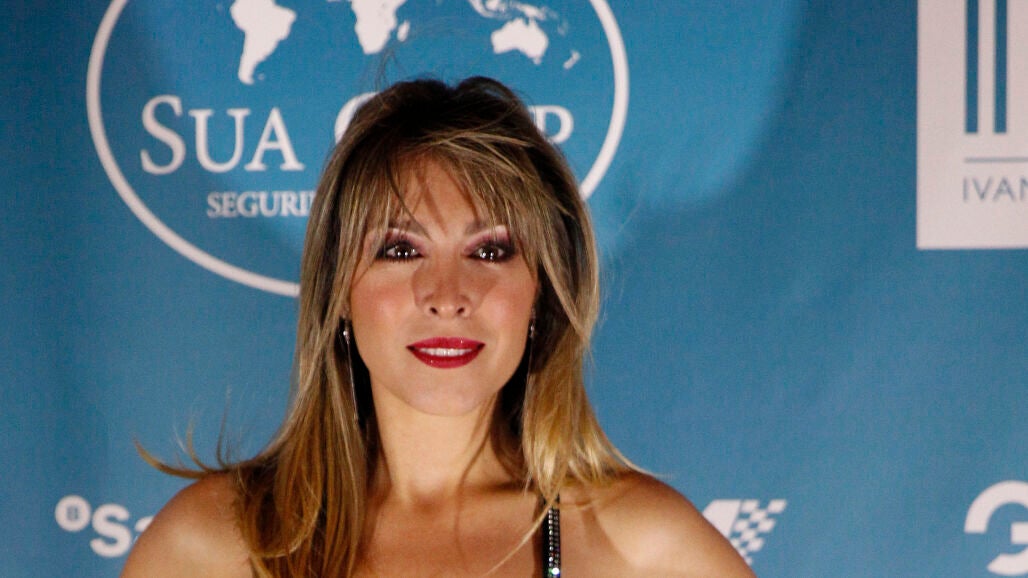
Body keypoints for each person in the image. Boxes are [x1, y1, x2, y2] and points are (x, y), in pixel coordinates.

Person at [121, 77, 754, 577]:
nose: (448, 296)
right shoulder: (211, 546)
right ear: (340, 293)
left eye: (490, 250)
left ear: (541, 291)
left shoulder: (646, 551)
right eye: (400, 250)